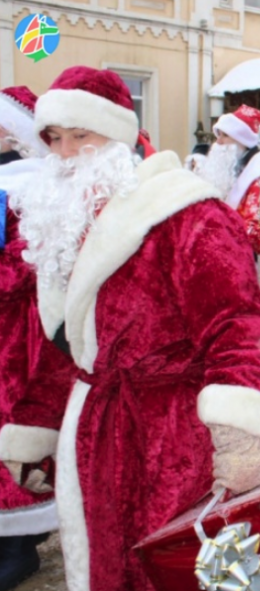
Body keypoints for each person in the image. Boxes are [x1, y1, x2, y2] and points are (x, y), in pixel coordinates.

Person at [0, 66, 260, 591]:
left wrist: (238, 435)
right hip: (96, 439)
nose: (64, 153)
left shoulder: (186, 214)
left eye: (81, 136)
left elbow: (241, 326)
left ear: (119, 136)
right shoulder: (65, 223)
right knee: (108, 567)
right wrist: (35, 433)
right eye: (55, 139)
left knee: (183, 571)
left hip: (177, 438)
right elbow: (66, 345)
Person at [0, 85, 77, 590]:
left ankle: (17, 545)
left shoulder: (27, 188)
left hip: (23, 337)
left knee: (19, 429)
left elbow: (24, 266)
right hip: (14, 332)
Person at [196, 104, 260, 255]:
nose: (218, 142)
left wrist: (214, 228)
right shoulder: (237, 167)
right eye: (218, 135)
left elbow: (258, 232)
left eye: (225, 136)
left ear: (243, 141)